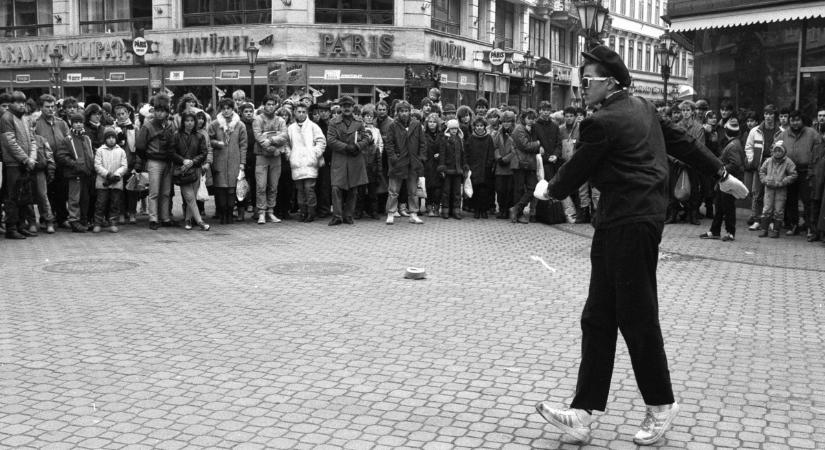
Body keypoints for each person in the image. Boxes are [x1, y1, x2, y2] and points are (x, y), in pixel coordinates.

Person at [534, 45, 747, 446]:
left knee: (636, 316)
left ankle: (662, 406)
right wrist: (720, 173)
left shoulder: (601, 122)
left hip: (629, 223)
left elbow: (576, 169)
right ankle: (582, 412)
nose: (582, 87)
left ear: (610, 81)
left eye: (589, 80)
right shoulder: (644, 107)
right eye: (581, 80)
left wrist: (549, 189)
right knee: (598, 316)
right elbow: (682, 142)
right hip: (627, 221)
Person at [326, 96, 370, 225]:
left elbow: (366, 138)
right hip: (339, 159)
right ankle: (337, 216)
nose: (346, 108)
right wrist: (346, 147)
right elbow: (331, 140)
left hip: (354, 158)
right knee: (336, 188)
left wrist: (357, 146)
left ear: (353, 107)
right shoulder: (333, 122)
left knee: (353, 189)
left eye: (349, 106)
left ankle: (348, 215)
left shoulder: (359, 122)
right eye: (344, 106)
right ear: (340, 107)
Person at [700, 118, 746, 241]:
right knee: (719, 206)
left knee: (728, 207)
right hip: (725, 180)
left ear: (726, 132)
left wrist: (721, 169)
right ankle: (714, 231)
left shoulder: (733, 146)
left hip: (728, 180)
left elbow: (735, 164)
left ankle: (730, 232)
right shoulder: (735, 143)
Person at [135, 95, 176, 229]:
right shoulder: (148, 126)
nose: (159, 113)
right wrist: (147, 158)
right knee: (154, 192)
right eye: (157, 110)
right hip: (154, 161)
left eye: (162, 110)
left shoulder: (170, 125)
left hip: (168, 162)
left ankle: (165, 217)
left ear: (167, 112)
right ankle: (153, 218)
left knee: (166, 192)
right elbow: (140, 146)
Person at [1, 91, 38, 239]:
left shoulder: (26, 118)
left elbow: (33, 139)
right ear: (11, 104)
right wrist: (25, 159)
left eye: (23, 102)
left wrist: (32, 157)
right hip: (13, 164)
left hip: (26, 163)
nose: (21, 105)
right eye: (18, 102)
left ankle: (21, 226)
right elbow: (10, 143)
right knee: (12, 197)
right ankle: (11, 228)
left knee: (25, 197)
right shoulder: (6, 118)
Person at [383, 100, 426, 225]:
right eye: (401, 111)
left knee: (413, 191)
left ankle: (413, 214)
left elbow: (423, 143)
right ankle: (391, 213)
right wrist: (393, 158)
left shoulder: (416, 125)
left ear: (410, 112)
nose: (404, 113)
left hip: (413, 163)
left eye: (406, 111)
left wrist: (421, 158)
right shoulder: (393, 126)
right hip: (398, 162)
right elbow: (389, 144)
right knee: (393, 191)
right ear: (397, 112)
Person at [34, 94, 70, 229]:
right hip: (45, 163)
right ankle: (46, 217)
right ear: (41, 108)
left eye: (52, 106)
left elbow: (68, 141)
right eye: (47, 107)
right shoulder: (36, 124)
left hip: (60, 163)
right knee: (46, 193)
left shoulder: (61, 123)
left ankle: (62, 218)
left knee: (61, 191)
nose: (50, 109)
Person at [209, 98, 248, 225]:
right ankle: (222, 214)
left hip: (234, 161)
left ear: (233, 109)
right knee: (220, 189)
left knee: (232, 189)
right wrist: (217, 143)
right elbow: (208, 141)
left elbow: (243, 145)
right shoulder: (215, 124)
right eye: (223, 108)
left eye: (229, 108)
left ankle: (230, 214)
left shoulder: (240, 125)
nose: (226, 111)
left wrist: (242, 162)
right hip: (219, 160)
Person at [55, 113, 95, 234]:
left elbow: (90, 154)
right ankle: (74, 221)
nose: (78, 124)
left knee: (85, 199)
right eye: (75, 122)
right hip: (74, 174)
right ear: (71, 124)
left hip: (86, 174)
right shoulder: (68, 139)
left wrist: (90, 167)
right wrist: (75, 163)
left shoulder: (86, 138)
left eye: (80, 122)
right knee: (74, 198)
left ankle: (83, 220)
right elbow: (61, 156)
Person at [252, 95, 289, 224]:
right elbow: (258, 137)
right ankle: (261, 212)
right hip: (261, 156)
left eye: (273, 104)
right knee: (261, 186)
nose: (270, 106)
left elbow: (284, 136)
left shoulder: (281, 120)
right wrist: (272, 139)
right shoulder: (257, 119)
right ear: (263, 105)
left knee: (273, 185)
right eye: (268, 104)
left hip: (276, 157)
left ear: (276, 105)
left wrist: (271, 139)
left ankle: (271, 211)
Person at [287, 102, 326, 223]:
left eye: (304, 112)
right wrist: (290, 155)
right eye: (299, 111)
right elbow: (286, 144)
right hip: (297, 163)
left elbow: (321, 141)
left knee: (309, 188)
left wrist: (314, 153)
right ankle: (302, 212)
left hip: (310, 163)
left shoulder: (313, 126)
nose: (301, 114)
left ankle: (311, 213)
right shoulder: (291, 128)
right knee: (300, 189)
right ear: (294, 112)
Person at [171, 111, 210, 231]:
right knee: (189, 197)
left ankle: (188, 220)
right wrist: (183, 161)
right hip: (182, 170)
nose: (190, 123)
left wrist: (193, 162)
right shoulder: (176, 135)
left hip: (196, 169)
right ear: (183, 122)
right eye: (187, 120)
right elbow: (171, 152)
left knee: (191, 197)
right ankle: (200, 221)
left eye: (192, 120)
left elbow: (204, 153)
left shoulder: (199, 136)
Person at [745, 105, 780, 230]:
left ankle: (769, 220)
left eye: (771, 114)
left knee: (771, 194)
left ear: (774, 116)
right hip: (759, 165)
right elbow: (748, 147)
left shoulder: (780, 131)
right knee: (757, 193)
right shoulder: (755, 130)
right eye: (766, 114)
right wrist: (752, 160)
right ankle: (756, 219)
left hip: (774, 166)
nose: (768, 116)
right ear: (764, 115)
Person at [758, 141, 798, 238]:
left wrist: (783, 182)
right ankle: (764, 229)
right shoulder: (768, 161)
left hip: (781, 189)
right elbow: (762, 171)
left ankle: (776, 230)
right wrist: (765, 180)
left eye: (780, 151)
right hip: (769, 188)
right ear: (772, 152)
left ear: (784, 152)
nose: (777, 153)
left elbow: (794, 174)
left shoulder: (788, 162)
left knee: (779, 209)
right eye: (775, 151)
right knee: (767, 208)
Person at [509, 109, 542, 224]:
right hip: (519, 162)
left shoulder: (531, 129)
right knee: (519, 189)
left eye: (533, 119)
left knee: (532, 188)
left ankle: (516, 209)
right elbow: (525, 145)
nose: (531, 121)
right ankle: (517, 214)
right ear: (523, 118)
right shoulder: (519, 129)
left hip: (529, 163)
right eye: (529, 118)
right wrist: (538, 144)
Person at [92, 127, 127, 233]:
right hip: (103, 182)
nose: (111, 139)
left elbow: (124, 166)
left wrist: (117, 174)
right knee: (100, 203)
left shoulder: (121, 151)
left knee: (115, 203)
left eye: (113, 137)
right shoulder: (100, 151)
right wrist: (107, 174)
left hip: (116, 182)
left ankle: (113, 223)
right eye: (108, 138)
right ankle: (97, 222)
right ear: (105, 139)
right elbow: (97, 165)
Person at [437, 119, 468, 219]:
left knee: (457, 192)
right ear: (448, 129)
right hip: (447, 169)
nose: (454, 130)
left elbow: (463, 155)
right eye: (452, 128)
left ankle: (456, 210)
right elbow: (442, 155)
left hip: (458, 170)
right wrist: (442, 168)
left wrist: (464, 166)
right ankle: (445, 210)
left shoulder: (461, 140)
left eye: (455, 128)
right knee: (446, 191)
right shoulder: (444, 140)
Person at [465, 116, 495, 218]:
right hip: (474, 168)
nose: (479, 127)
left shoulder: (489, 138)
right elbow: (467, 153)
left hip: (486, 168)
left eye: (481, 126)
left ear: (484, 127)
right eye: (477, 126)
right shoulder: (471, 138)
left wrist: (489, 164)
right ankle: (476, 210)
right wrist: (468, 165)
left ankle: (484, 210)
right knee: (476, 189)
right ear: (474, 127)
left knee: (485, 190)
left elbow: (491, 152)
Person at [493, 110, 517, 219]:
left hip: (511, 167)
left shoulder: (516, 133)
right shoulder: (498, 133)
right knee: (500, 190)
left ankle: (507, 210)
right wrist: (498, 157)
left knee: (509, 190)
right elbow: (495, 147)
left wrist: (506, 159)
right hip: (500, 166)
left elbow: (516, 150)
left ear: (512, 122)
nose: (506, 124)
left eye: (508, 121)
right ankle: (501, 209)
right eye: (504, 122)